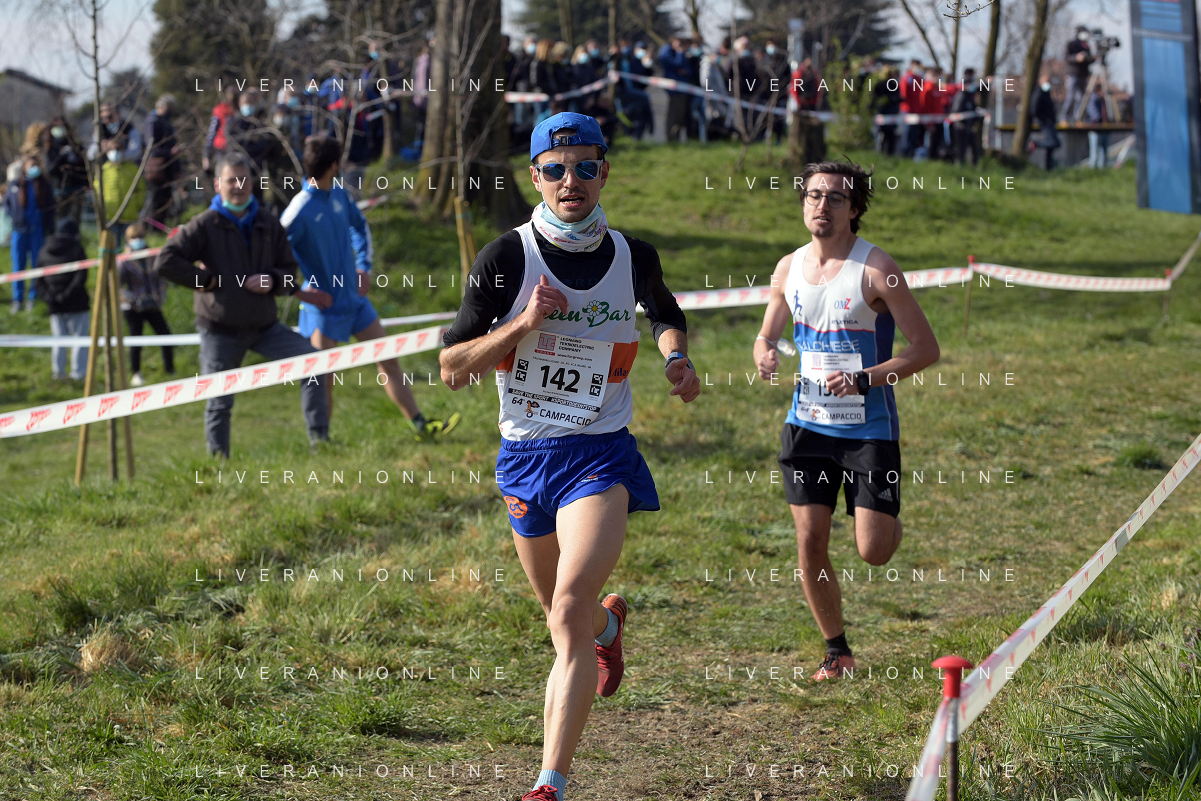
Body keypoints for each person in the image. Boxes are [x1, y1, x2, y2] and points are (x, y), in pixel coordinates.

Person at [438, 113, 699, 801]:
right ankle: (609, 628)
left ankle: (548, 783)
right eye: (555, 169)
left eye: (585, 167)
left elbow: (665, 312)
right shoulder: (505, 257)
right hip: (526, 458)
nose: (570, 181)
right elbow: (452, 367)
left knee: (566, 608)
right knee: (568, 619)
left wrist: (675, 358)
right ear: (535, 176)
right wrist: (525, 323)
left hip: (599, 453)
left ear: (603, 172)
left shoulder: (632, 255)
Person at [753, 159, 940, 682]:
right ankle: (837, 652)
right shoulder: (788, 267)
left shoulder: (877, 268)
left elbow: (925, 349)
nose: (822, 205)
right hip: (807, 424)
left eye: (835, 197)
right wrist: (763, 352)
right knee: (809, 538)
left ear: (854, 208)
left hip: (868, 428)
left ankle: (883, 518)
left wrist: (865, 378)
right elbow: (767, 333)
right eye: (813, 195)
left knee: (873, 550)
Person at [153, 152, 334, 458]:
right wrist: (205, 281)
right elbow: (165, 262)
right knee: (219, 400)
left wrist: (272, 281)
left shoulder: (268, 222)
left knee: (313, 363)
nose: (238, 186)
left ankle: (321, 442)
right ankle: (218, 464)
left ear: (252, 182)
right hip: (219, 328)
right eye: (230, 180)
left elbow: (288, 271)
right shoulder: (204, 224)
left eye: (243, 179)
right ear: (217, 184)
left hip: (265, 326)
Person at [281, 136, 460, 439]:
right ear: (335, 165)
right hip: (323, 308)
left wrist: (363, 267)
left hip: (355, 301)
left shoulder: (338, 193)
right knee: (322, 377)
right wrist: (298, 291)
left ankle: (421, 425)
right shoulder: (298, 209)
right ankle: (319, 442)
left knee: (388, 359)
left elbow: (359, 226)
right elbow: (273, 254)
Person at [34, 217, 90, 381]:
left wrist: (49, 297)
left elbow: (38, 280)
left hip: (55, 305)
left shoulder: (44, 250)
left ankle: (58, 374)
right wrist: (66, 295)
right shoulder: (77, 248)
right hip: (77, 303)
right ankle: (78, 375)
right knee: (80, 341)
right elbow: (81, 276)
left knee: (58, 341)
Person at [119, 221, 174, 386]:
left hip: (152, 304)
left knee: (165, 335)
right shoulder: (123, 260)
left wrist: (160, 296)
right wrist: (131, 299)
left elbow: (161, 278)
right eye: (134, 237)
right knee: (136, 339)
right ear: (128, 239)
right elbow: (116, 286)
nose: (138, 240)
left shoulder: (152, 256)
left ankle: (170, 369)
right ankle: (136, 372)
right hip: (132, 307)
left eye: (140, 236)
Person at [4, 152, 55, 313]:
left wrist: (49, 227)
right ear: (24, 167)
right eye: (30, 165)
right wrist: (15, 218)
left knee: (36, 264)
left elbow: (51, 207)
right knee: (18, 265)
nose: (33, 168)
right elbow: (7, 204)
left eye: (36, 165)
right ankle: (17, 299)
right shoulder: (16, 185)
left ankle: (33, 297)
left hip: (37, 230)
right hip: (19, 231)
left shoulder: (44, 185)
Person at [91, 131, 145, 250]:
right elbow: (97, 191)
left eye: (118, 149)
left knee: (131, 247)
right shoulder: (103, 170)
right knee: (113, 247)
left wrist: (137, 205)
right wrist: (103, 208)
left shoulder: (133, 168)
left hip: (130, 215)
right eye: (112, 149)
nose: (115, 152)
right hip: (110, 215)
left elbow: (141, 189)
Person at [142, 94, 183, 225]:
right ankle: (153, 228)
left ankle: (160, 227)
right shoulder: (153, 122)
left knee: (165, 200)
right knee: (156, 201)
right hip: (157, 169)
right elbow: (152, 148)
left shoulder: (165, 122)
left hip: (167, 169)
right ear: (160, 106)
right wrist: (170, 152)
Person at [43, 117, 89, 224]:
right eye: (56, 127)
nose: (59, 129)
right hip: (60, 190)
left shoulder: (75, 146)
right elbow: (50, 170)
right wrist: (61, 156)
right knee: (61, 220)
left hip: (77, 188)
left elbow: (84, 167)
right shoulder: (50, 148)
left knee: (75, 220)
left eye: (62, 126)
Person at [658, 37, 693, 142]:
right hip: (674, 89)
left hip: (682, 88)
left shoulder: (675, 52)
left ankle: (675, 138)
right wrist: (679, 52)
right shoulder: (666, 52)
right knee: (673, 114)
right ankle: (670, 137)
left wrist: (683, 70)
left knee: (680, 115)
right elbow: (677, 63)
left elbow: (687, 70)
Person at [204, 85, 239, 174]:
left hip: (231, 146)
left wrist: (207, 154)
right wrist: (207, 154)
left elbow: (212, 132)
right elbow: (212, 132)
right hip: (223, 147)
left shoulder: (239, 111)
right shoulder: (222, 110)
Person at [950, 68, 981, 166]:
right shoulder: (961, 95)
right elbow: (956, 112)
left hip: (968, 126)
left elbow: (973, 111)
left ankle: (973, 165)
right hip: (961, 126)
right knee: (961, 147)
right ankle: (960, 164)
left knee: (973, 146)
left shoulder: (970, 96)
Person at [1064, 26, 1093, 121]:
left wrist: (1093, 59)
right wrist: (1076, 57)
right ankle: (1065, 117)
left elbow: (1088, 60)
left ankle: (1078, 118)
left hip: (1083, 75)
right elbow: (1067, 57)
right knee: (1071, 96)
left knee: (1081, 98)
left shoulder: (1086, 46)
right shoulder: (1071, 44)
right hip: (1073, 74)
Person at [1031, 75, 1059, 170]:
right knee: (1053, 142)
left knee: (1051, 147)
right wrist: (1043, 119)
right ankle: (1035, 144)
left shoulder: (1046, 93)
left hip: (1050, 122)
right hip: (1045, 123)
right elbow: (1034, 110)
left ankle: (1049, 168)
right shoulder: (1038, 93)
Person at [1085, 82, 1108, 168]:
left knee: (1103, 151)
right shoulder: (1093, 99)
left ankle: (1102, 168)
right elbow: (1093, 113)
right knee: (1095, 151)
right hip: (1096, 128)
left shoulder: (1104, 100)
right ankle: (1093, 169)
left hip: (1104, 128)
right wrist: (1100, 118)